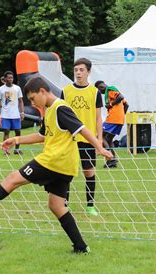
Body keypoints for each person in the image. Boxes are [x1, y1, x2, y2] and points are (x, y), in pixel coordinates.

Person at [0, 77, 113, 253]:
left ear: (43, 91)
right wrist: (16, 139)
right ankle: (81, 246)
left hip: (53, 161)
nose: (33, 103)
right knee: (56, 206)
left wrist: (99, 147)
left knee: (13, 179)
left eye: (33, 99)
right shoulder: (50, 110)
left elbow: (82, 129)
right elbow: (42, 136)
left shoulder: (61, 108)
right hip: (65, 166)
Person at [61, 58, 103, 216]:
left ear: (88, 72)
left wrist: (99, 140)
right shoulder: (65, 91)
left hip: (88, 140)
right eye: (76, 70)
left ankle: (90, 206)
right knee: (66, 173)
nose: (78, 73)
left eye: (81, 70)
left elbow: (98, 118)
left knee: (89, 173)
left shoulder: (95, 92)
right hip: (69, 140)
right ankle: (64, 205)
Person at [95, 80, 127, 168]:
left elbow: (120, 97)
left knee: (99, 136)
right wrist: (121, 115)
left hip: (113, 118)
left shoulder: (109, 91)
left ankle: (110, 157)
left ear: (100, 88)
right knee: (108, 139)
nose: (101, 93)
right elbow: (126, 104)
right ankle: (112, 161)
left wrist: (110, 104)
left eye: (99, 91)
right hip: (120, 120)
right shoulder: (115, 90)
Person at [0, 71, 25, 155]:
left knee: (18, 131)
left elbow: (21, 101)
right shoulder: (0, 89)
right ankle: (6, 150)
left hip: (16, 115)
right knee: (6, 131)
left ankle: (17, 149)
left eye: (12, 78)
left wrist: (22, 112)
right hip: (5, 115)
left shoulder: (17, 88)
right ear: (5, 79)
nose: (11, 79)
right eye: (9, 78)